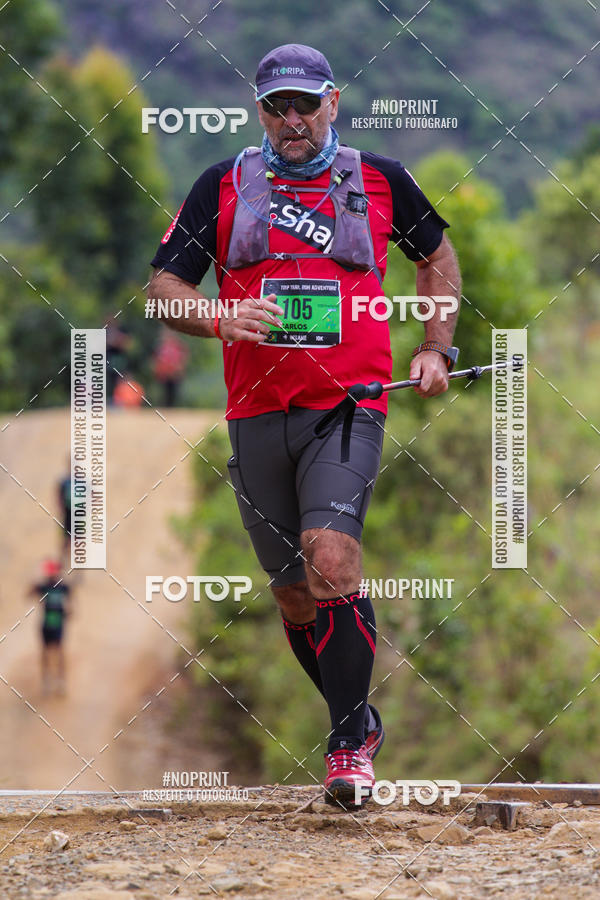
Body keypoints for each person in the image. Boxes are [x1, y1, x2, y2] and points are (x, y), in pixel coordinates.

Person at [148, 44, 461, 807]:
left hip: (348, 406)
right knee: (294, 594)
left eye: (306, 103)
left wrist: (435, 346)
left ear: (333, 102)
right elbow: (163, 289)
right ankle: (361, 719)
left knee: (331, 559)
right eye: (276, 105)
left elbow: (437, 256)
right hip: (256, 414)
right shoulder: (221, 185)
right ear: (260, 111)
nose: (293, 118)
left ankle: (347, 748)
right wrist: (219, 318)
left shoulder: (380, 179)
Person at [29, 559, 72, 696]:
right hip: (46, 623)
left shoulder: (63, 587)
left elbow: (71, 606)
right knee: (45, 652)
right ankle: (46, 681)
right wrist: (34, 583)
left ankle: (61, 682)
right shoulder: (43, 586)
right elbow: (29, 594)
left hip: (58, 623)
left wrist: (68, 612)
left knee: (59, 652)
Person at [152, 326, 189, 406]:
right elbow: (156, 360)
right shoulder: (161, 347)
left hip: (174, 375)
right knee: (164, 394)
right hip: (164, 375)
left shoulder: (178, 346)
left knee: (173, 394)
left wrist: (179, 370)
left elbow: (182, 359)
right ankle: (164, 407)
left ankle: (171, 407)